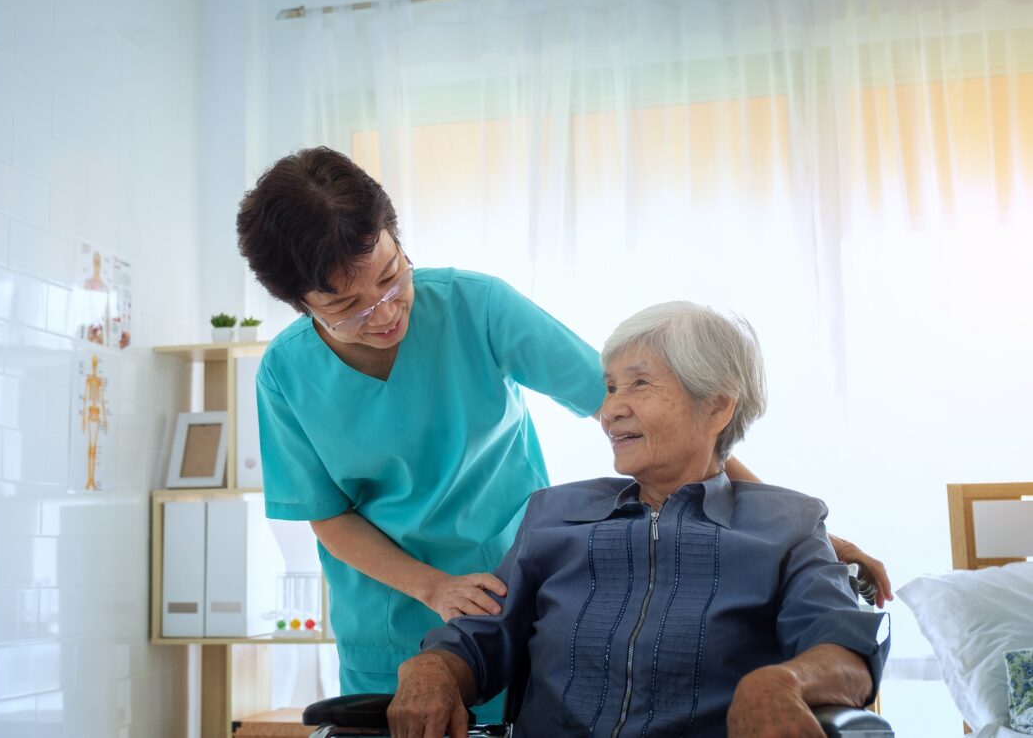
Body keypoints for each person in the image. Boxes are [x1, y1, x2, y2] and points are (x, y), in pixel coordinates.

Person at [235, 147, 890, 716]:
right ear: (301, 305)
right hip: (392, 618)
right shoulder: (286, 375)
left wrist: (793, 529)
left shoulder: (476, 306)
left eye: (392, 276)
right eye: (348, 306)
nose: (383, 311)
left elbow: (655, 422)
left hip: (516, 598)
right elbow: (327, 516)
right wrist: (433, 588)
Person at [388, 302, 890, 738]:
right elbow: (483, 637)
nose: (609, 411)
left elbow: (844, 648)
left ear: (716, 405)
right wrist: (432, 666)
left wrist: (783, 682)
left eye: (640, 383)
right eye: (609, 388)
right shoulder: (554, 514)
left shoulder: (788, 526)